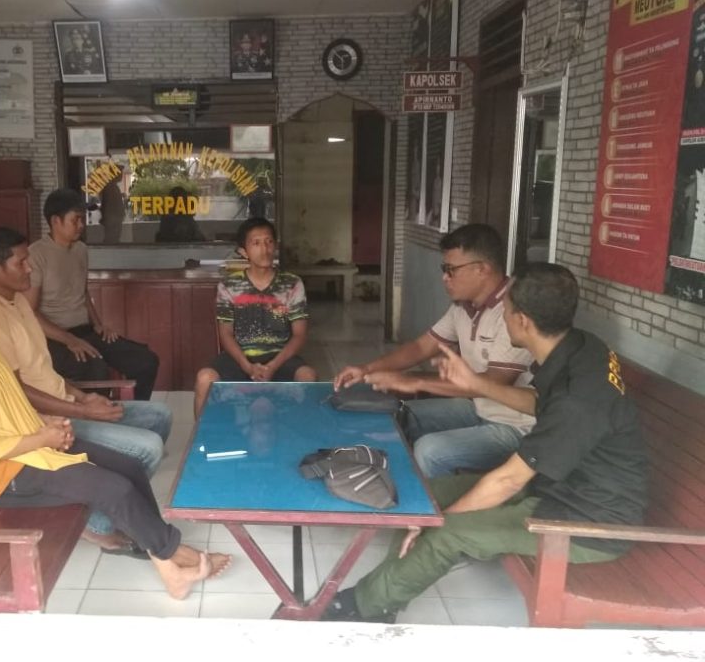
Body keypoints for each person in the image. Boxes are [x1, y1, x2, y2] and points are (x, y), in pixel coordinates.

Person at [323, 263, 649, 622]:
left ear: (522, 321)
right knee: (422, 496)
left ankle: (363, 607)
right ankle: (384, 596)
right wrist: (476, 384)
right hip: (557, 487)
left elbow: (508, 480)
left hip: (586, 521)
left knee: (446, 531)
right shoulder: (582, 348)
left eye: (506, 311)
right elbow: (539, 403)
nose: (502, 319)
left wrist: (437, 522)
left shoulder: (578, 400)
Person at [0, 254, 231, 599]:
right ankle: (176, 555)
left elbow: (6, 403)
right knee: (114, 489)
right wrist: (40, 438)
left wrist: (44, 424)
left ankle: (165, 562)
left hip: (27, 447)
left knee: (129, 467)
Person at [0, 227, 173, 555]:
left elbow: (43, 372)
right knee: (147, 448)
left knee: (159, 416)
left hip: (66, 404)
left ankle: (126, 505)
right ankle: (99, 526)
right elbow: (15, 391)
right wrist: (83, 411)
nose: (30, 268)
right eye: (21, 262)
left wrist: (83, 397)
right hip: (46, 422)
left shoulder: (17, 301)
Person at [334, 224, 534, 477]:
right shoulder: (463, 306)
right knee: (395, 416)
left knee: (430, 450)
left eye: (451, 270)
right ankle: (385, 484)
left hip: (515, 427)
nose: (444, 278)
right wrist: (366, 369)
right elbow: (422, 346)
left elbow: (493, 382)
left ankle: (435, 502)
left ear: (481, 269)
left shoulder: (513, 312)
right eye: (444, 269)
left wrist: (414, 382)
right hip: (478, 409)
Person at [25, 189, 160, 400]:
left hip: (86, 331)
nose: (81, 225)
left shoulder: (81, 250)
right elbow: (29, 312)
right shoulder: (35, 255)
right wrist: (69, 339)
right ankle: (96, 416)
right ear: (55, 221)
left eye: (82, 219)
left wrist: (98, 324)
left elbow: (83, 292)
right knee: (97, 369)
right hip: (53, 338)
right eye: (75, 220)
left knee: (145, 360)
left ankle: (136, 412)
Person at [194, 217, 317, 419]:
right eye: (256, 243)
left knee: (308, 377)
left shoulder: (292, 283)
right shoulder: (229, 285)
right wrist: (247, 366)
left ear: (276, 246)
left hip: (280, 357)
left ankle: (301, 434)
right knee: (204, 378)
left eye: (269, 242)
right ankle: (202, 437)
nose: (264, 249)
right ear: (243, 251)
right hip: (239, 358)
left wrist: (272, 366)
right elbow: (225, 334)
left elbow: (299, 335)